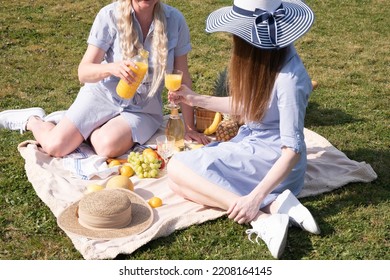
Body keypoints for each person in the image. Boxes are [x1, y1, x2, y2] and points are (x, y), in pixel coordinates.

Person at [167, 0, 320, 259]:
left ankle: (260, 217)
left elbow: (291, 150)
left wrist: (253, 198)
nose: (234, 41)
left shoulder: (289, 80)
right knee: (177, 185)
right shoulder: (269, 62)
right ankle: (275, 205)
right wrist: (194, 99)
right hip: (256, 146)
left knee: (176, 168)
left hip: (277, 163)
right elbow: (250, 104)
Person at [0, 0, 208, 158]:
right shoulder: (109, 16)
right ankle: (33, 120)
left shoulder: (175, 21)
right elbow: (83, 72)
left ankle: (83, 126)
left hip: (143, 107)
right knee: (56, 147)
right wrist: (113, 68)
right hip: (102, 96)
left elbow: (182, 77)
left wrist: (189, 127)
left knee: (106, 147)